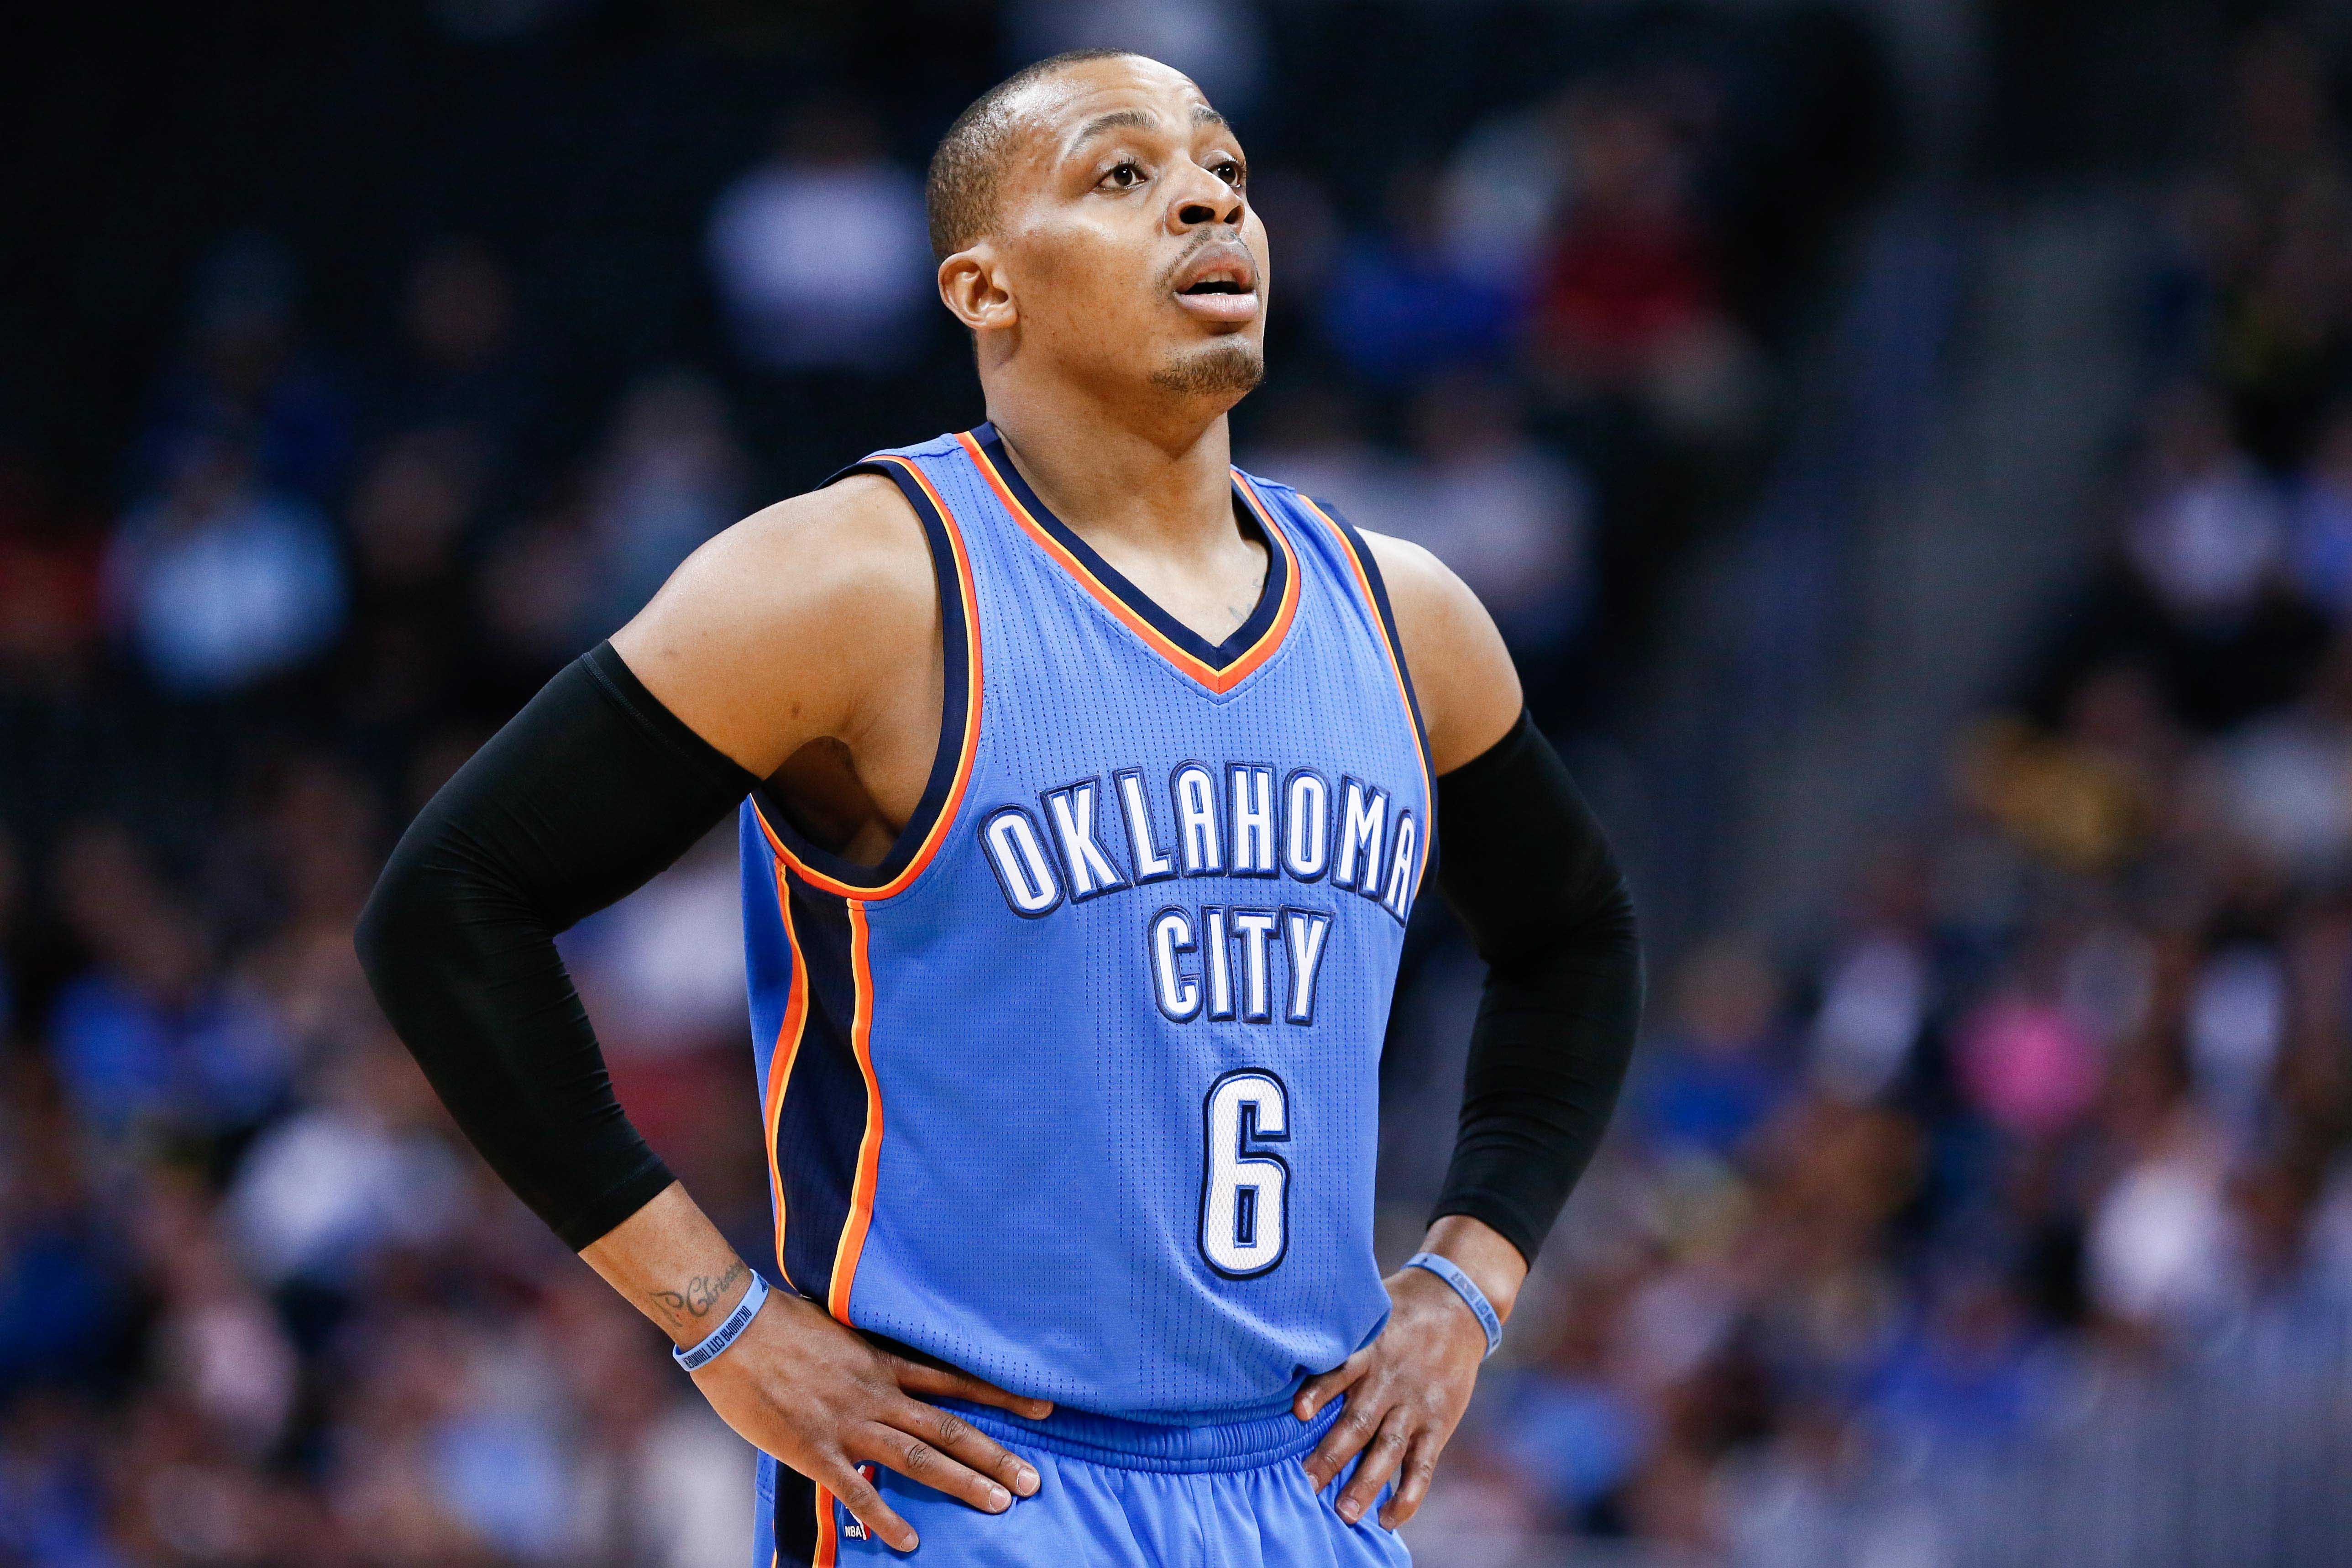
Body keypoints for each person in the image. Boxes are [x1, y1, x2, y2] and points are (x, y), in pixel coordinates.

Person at [358, 50, 1640, 1566]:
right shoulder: (853, 581)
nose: (1205, 200)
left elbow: (1575, 938)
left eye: (1223, 171)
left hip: (1306, 1486)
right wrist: (717, 1320)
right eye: (1123, 174)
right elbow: (448, 905)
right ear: (984, 289)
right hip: (973, 1489)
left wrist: (1468, 1276)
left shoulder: (1406, 611)